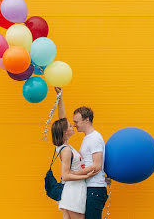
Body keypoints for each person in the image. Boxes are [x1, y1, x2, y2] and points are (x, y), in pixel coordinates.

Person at [55, 88, 109, 219]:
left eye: (76, 122)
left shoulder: (94, 138)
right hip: (86, 187)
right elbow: (61, 122)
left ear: (87, 120)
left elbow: (96, 166)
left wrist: (73, 174)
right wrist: (60, 99)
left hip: (94, 188)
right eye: (71, 123)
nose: (73, 125)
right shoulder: (83, 140)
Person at [51, 114, 98, 218]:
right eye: (70, 125)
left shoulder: (64, 146)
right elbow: (65, 176)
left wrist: (60, 99)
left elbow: (61, 117)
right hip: (74, 192)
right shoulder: (66, 150)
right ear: (65, 132)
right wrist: (86, 176)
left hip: (71, 191)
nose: (73, 126)